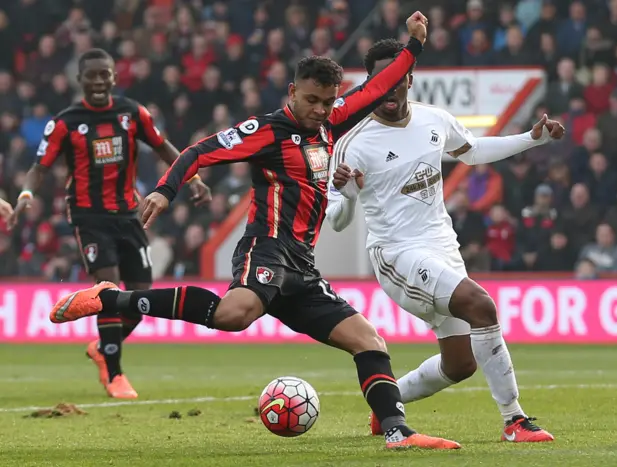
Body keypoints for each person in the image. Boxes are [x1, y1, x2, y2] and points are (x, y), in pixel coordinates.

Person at [48, 13, 462, 451]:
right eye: (312, 100)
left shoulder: (331, 121)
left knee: (369, 340)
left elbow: (376, 87)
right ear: (292, 93)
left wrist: (414, 45)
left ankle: (398, 432)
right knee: (233, 315)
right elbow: (198, 152)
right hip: (266, 247)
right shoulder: (265, 132)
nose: (320, 110)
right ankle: (108, 298)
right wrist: (167, 190)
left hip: (301, 263)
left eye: (327, 101)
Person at [326, 39, 562, 443]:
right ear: (369, 85)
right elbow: (338, 221)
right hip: (395, 253)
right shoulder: (353, 143)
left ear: (408, 80)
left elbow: (471, 152)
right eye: (378, 82)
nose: (388, 89)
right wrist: (345, 193)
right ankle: (515, 421)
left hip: (442, 247)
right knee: (481, 305)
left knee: (460, 365)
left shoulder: (434, 119)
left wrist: (532, 138)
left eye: (395, 80)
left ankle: (387, 406)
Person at [9, 48, 212, 399]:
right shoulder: (66, 121)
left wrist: (191, 178)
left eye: (106, 74)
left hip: (128, 213)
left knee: (139, 294)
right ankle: (115, 374)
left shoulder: (133, 113)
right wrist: (26, 194)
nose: (100, 80)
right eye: (93, 75)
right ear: (81, 80)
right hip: (89, 216)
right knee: (109, 289)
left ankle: (103, 348)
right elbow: (40, 166)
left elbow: (163, 147)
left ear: (114, 77)